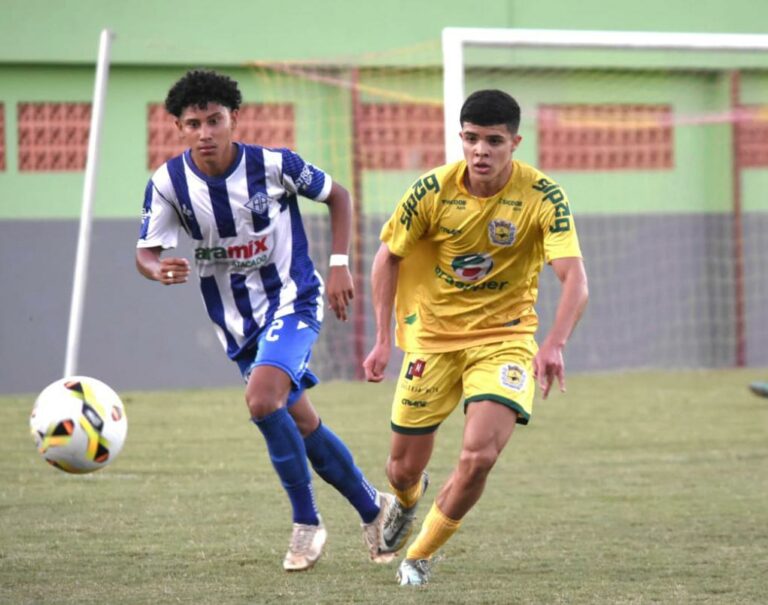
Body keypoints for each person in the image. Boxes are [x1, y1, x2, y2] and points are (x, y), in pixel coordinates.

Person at [136, 69, 395, 572]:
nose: (206, 132)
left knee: (261, 399)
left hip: (294, 299)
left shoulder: (274, 165)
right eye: (194, 124)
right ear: (178, 127)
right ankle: (373, 508)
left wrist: (339, 264)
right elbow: (146, 252)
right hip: (236, 325)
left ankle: (307, 523)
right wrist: (156, 269)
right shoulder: (168, 184)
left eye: (215, 120)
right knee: (301, 421)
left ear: (235, 118)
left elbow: (338, 195)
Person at [364, 89, 589, 586]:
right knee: (401, 469)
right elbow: (387, 258)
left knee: (479, 455)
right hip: (432, 340)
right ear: (461, 138)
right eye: (471, 139)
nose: (480, 150)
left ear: (515, 143)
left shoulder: (542, 196)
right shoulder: (431, 190)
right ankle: (406, 499)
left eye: (493, 141)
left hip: (504, 340)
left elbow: (575, 277)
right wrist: (383, 338)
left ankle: (419, 555)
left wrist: (554, 343)